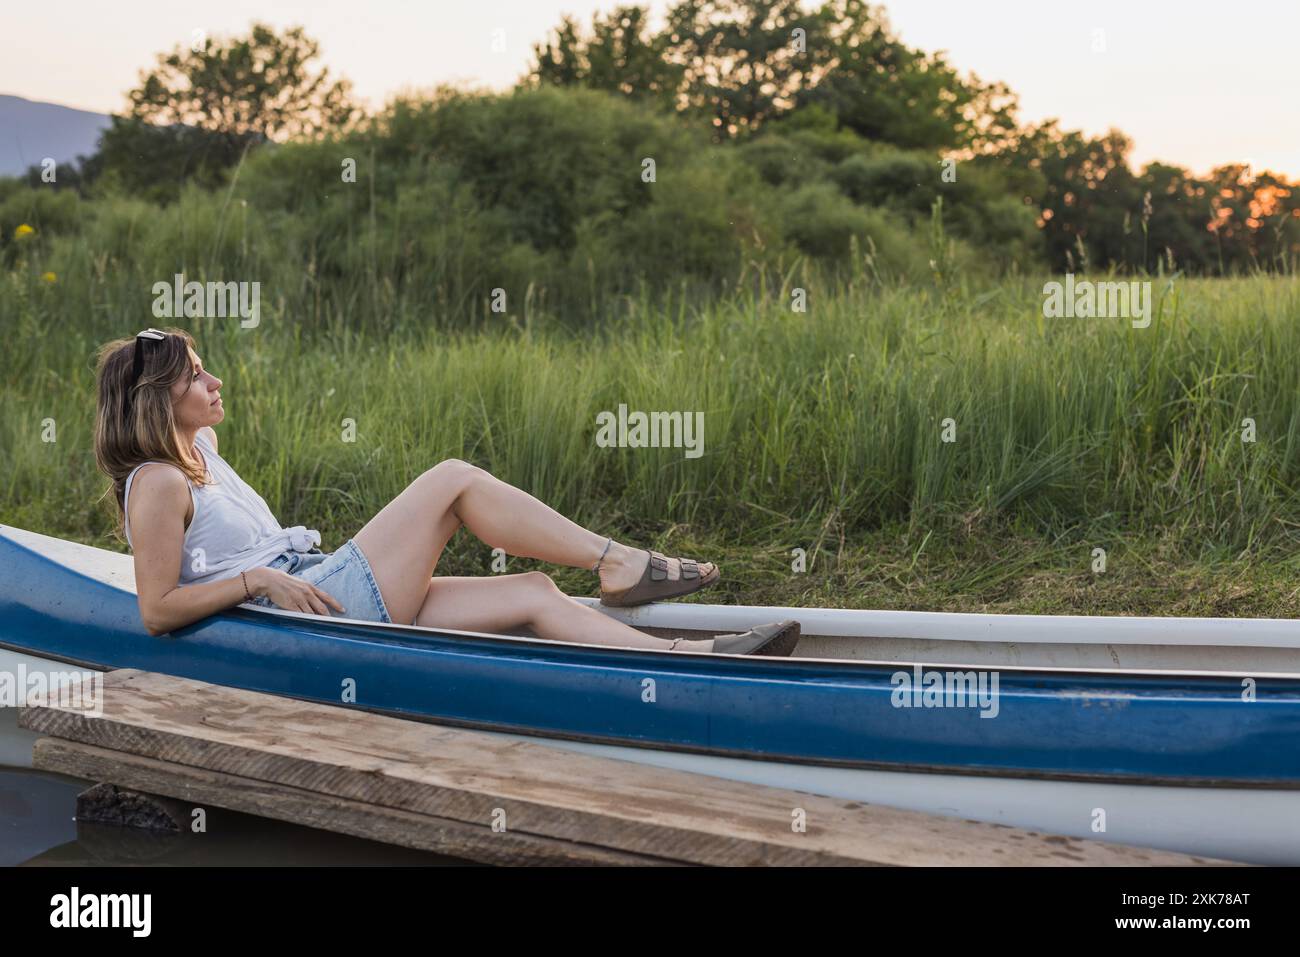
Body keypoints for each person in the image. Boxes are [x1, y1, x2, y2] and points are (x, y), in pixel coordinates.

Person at [93, 327, 800, 656]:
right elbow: (157, 609)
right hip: (314, 613)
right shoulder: (156, 482)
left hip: (316, 585)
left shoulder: (198, 452)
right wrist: (256, 580)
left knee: (532, 591)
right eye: (195, 376)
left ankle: (691, 658)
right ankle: (616, 562)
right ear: (157, 398)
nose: (215, 381)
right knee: (453, 479)